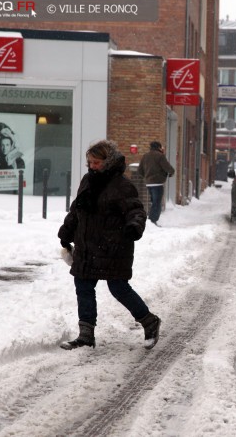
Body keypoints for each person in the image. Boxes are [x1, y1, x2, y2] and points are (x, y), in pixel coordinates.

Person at [57, 140, 161, 350]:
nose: (92, 166)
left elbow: (136, 211)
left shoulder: (121, 186)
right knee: (83, 286)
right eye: (90, 162)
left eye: (96, 162)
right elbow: (77, 210)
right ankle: (86, 335)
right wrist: (66, 233)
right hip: (87, 245)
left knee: (118, 288)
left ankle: (150, 322)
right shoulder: (87, 181)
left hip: (114, 246)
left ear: (108, 161)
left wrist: (134, 227)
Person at [137, 141, 175, 227]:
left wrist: (146, 177)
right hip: (157, 183)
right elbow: (168, 168)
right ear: (158, 147)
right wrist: (170, 173)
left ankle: (151, 221)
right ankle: (152, 221)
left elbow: (139, 170)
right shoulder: (160, 156)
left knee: (153, 202)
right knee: (156, 203)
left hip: (148, 183)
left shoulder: (145, 156)